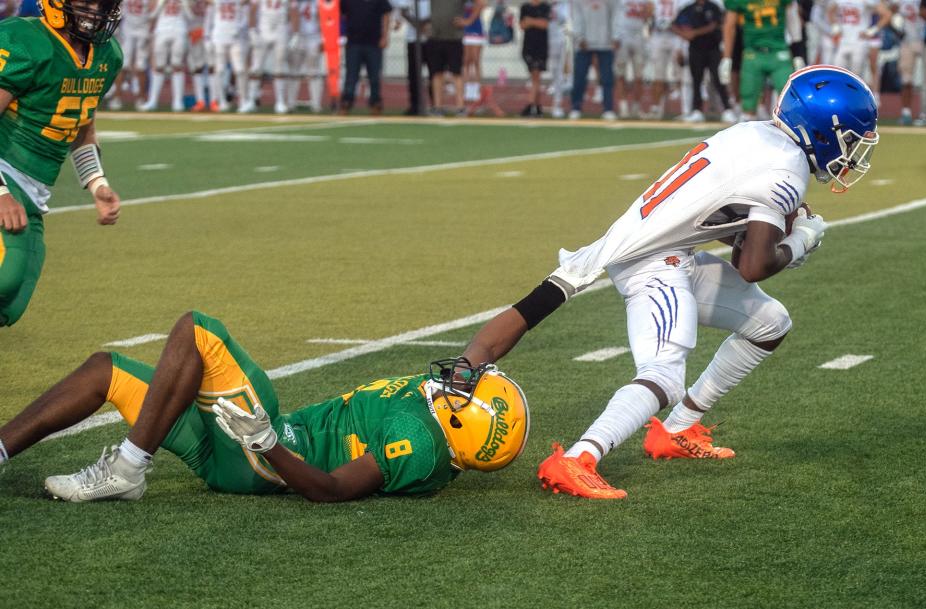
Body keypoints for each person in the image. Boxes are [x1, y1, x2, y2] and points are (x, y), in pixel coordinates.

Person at [459, 66, 878, 499]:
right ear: (824, 131)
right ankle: (577, 458)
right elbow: (753, 266)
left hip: (662, 250)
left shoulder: (755, 134)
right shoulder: (786, 168)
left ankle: (676, 429)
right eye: (850, 141)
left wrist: (776, 241)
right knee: (664, 375)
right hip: (653, 262)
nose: (853, 155)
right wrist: (800, 243)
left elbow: (716, 223)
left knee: (770, 322)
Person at [0, 311, 530, 502]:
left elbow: (334, 490)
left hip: (264, 454)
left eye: (468, 389)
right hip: (235, 450)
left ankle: (128, 467)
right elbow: (485, 345)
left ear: (463, 420)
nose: (460, 378)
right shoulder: (448, 416)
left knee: (199, 331)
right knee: (105, 370)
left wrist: (267, 443)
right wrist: (563, 282)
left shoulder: (418, 444)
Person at [0, 0, 124, 328]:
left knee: (11, 303)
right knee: (4, 278)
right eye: (84, 2)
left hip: (34, 190)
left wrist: (97, 184)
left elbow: (82, 126)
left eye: (102, 3)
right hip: (5, 171)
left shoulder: (107, 55)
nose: (94, 11)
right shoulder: (24, 42)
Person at [721, 0, 805, 120]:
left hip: (779, 51)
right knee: (748, 102)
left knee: (791, 99)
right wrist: (726, 58)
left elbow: (793, 20)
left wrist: (798, 53)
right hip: (753, 53)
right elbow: (729, 26)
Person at [672, 0, 736, 122]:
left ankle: (727, 109)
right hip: (696, 49)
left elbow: (714, 25)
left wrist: (693, 33)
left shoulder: (713, 7)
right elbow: (674, 24)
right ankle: (697, 110)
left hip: (713, 48)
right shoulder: (688, 8)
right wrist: (683, 34)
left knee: (719, 80)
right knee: (696, 80)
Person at [426, 0, 481, 116]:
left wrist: (468, 21)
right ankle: (437, 106)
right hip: (436, 36)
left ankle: (460, 107)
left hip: (454, 38)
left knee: (456, 73)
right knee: (436, 73)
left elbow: (481, 3)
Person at [339, 0, 393, 115]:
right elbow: (340, 13)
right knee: (351, 76)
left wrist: (385, 36)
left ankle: (375, 103)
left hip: (373, 43)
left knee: (374, 76)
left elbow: (386, 14)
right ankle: (346, 102)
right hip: (353, 42)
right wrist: (341, 34)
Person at [569, 0, 617, 120]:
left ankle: (608, 108)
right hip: (584, 43)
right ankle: (576, 107)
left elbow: (616, 14)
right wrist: (580, 37)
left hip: (605, 42)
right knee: (579, 76)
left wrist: (616, 36)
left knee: (607, 77)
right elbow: (576, 16)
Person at [247, 0, 298, 114]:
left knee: (280, 66)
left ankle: (280, 102)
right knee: (256, 67)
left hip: (281, 30)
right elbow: (252, 11)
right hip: (263, 30)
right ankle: (251, 100)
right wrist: (252, 30)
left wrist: (295, 34)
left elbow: (294, 11)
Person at [142, 0, 192, 112]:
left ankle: (178, 101)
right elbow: (151, 15)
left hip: (179, 30)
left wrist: (184, 5)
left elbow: (191, 16)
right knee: (159, 66)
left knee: (177, 65)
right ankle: (153, 101)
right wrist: (160, 4)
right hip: (162, 30)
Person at [613, 0, 652, 119]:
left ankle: (636, 107)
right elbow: (614, 15)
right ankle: (623, 107)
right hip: (622, 35)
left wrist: (648, 12)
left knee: (639, 76)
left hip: (639, 36)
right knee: (620, 74)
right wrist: (615, 36)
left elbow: (648, 15)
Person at [520, 0, 551, 116]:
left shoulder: (545, 7)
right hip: (528, 46)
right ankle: (537, 106)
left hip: (541, 47)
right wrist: (535, 22)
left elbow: (544, 24)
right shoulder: (525, 7)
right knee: (534, 76)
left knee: (536, 75)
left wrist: (531, 21)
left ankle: (531, 104)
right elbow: (522, 25)